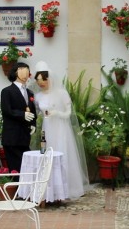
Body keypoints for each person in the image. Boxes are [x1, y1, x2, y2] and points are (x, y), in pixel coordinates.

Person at [33, 62, 89, 200]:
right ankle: (50, 188)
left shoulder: (61, 93)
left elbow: (68, 113)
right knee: (47, 155)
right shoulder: (38, 96)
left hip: (61, 129)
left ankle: (68, 187)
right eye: (38, 80)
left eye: (43, 79)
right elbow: (39, 114)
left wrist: (56, 113)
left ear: (49, 78)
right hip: (47, 129)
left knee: (63, 154)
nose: (41, 83)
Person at [0, 61, 37, 173]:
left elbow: (33, 111)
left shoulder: (30, 93)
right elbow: (7, 110)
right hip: (12, 137)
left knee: (27, 167)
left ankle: (26, 190)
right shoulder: (7, 91)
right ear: (15, 72)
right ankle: (16, 190)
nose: (25, 74)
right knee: (16, 168)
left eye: (27, 71)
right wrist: (22, 114)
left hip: (24, 137)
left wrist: (33, 124)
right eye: (22, 70)